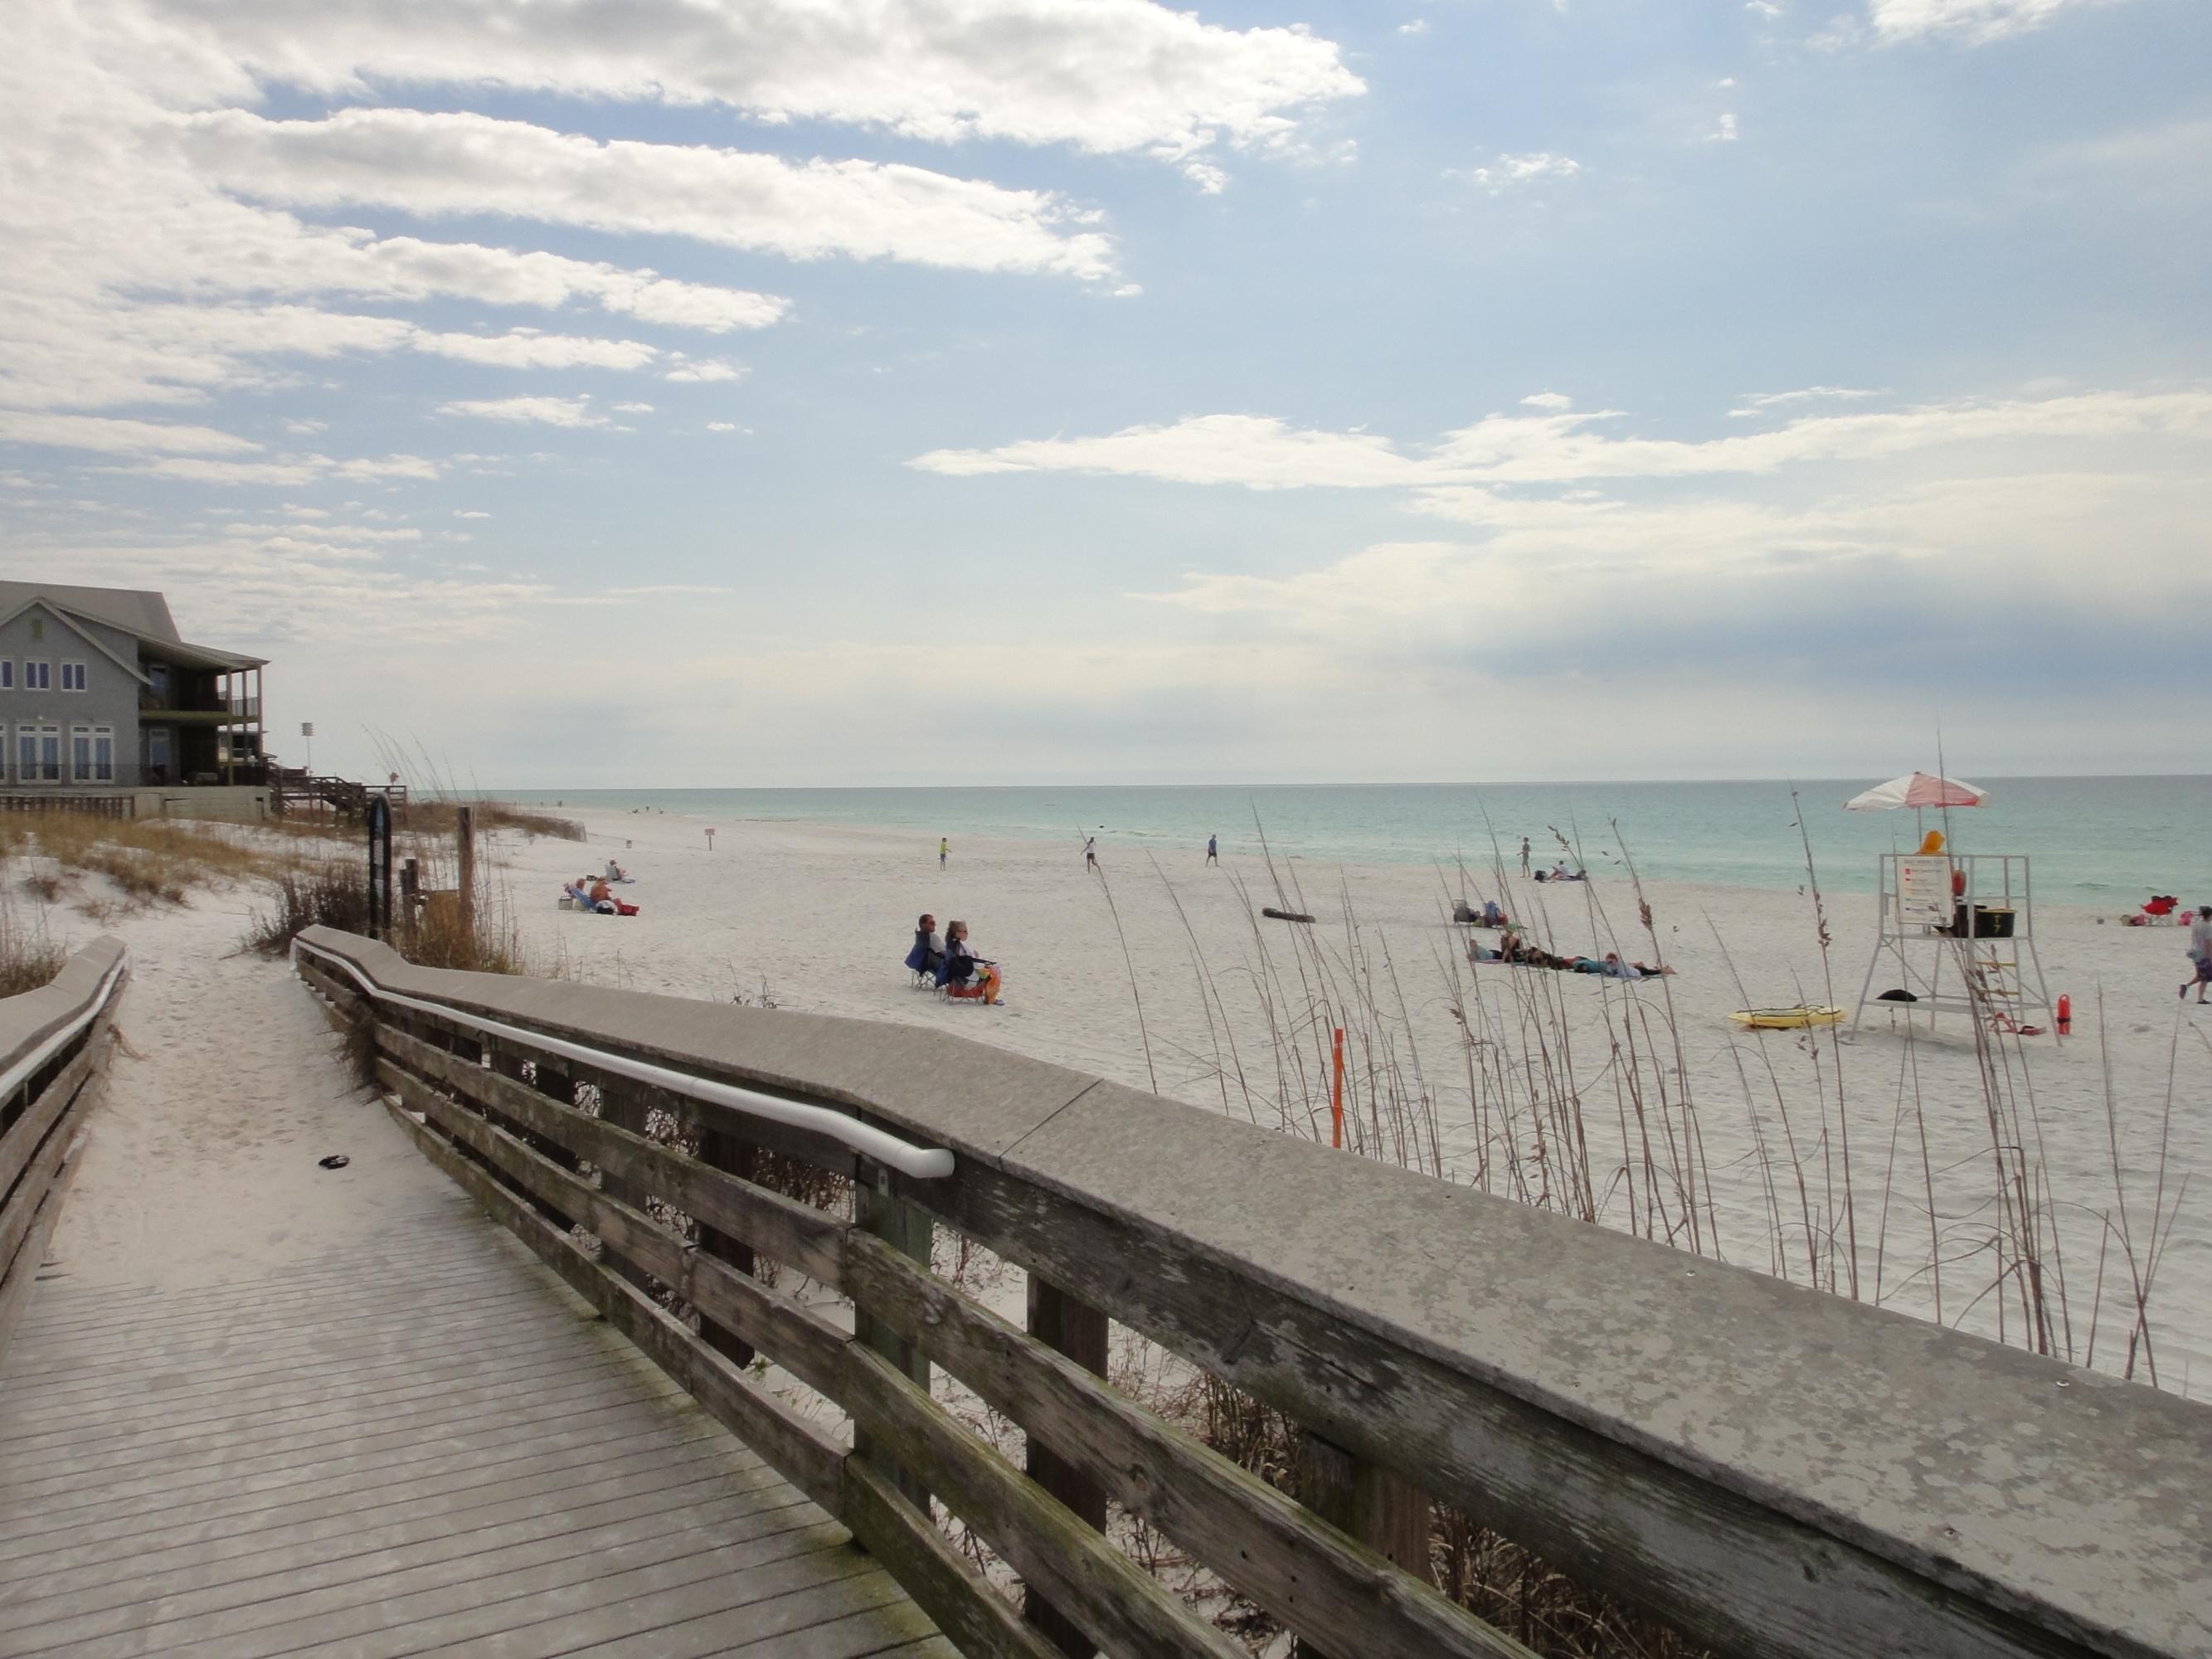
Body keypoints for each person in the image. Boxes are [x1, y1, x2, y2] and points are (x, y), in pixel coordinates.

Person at [942, 920, 1003, 1005]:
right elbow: (972, 962)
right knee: (995, 971)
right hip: (966, 975)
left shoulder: (951, 944)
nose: (967, 933)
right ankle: (990, 999)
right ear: (958, 933)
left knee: (990, 969)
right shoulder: (958, 947)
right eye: (965, 931)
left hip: (954, 973)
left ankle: (988, 997)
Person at [2183, 906, 2212, 1005]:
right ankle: (2200, 998)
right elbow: (2208, 943)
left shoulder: (2196, 924)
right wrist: (2210, 956)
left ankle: (2186, 986)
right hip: (2203, 953)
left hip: (2194, 951)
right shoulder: (2207, 927)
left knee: (2201, 975)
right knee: (2204, 976)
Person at [905, 912, 945, 980]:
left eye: (934, 923)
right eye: (931, 923)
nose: (934, 924)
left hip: (920, 963)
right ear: (923, 925)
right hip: (935, 965)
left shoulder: (920, 936)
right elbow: (943, 953)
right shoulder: (932, 937)